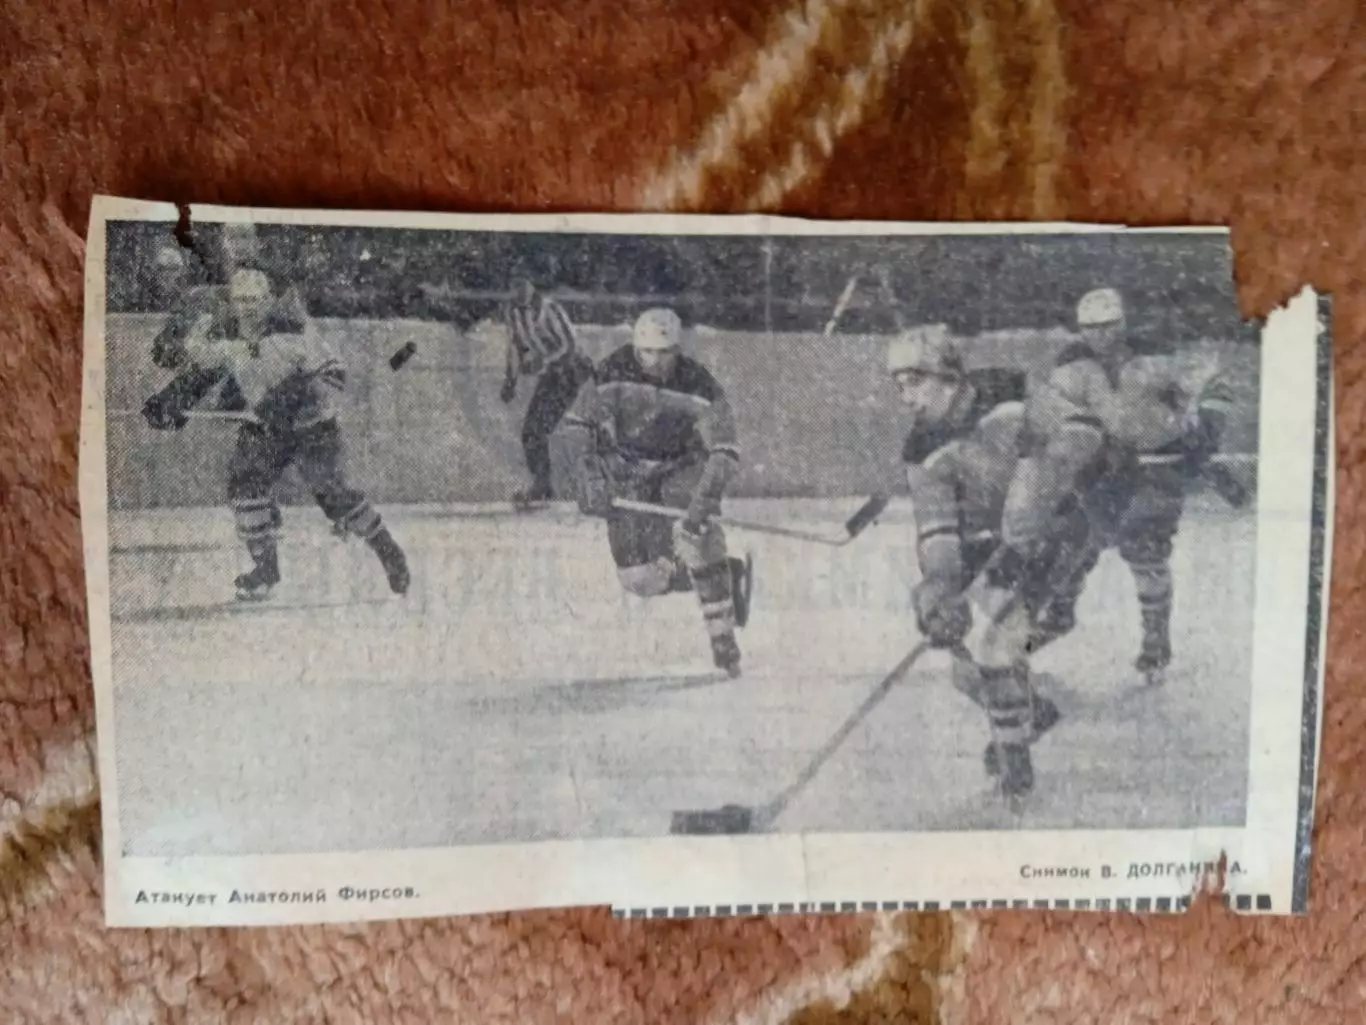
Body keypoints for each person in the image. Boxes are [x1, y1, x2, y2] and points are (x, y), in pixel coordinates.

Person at [141, 226, 410, 602]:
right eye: (240, 299)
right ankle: (265, 569)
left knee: (332, 497)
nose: (247, 307)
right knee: (245, 483)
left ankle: (387, 549)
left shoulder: (294, 332)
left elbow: (334, 374)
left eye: (255, 299)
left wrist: (290, 396)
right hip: (266, 427)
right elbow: (203, 366)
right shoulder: (227, 334)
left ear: (269, 300)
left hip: (313, 425)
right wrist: (171, 401)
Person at [887, 323, 1085, 797]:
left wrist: (1037, 482)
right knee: (965, 670)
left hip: (1057, 527)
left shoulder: (1009, 389)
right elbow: (938, 529)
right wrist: (939, 586)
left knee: (996, 645)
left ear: (945, 374)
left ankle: (1015, 770)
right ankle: (1029, 712)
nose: (905, 398)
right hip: (991, 541)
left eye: (913, 383)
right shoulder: (921, 447)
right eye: (898, 387)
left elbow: (1081, 431)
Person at [1007, 288, 1237, 684]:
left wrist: (1208, 434)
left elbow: (1216, 384)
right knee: (1066, 555)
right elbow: (1051, 417)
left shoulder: (1156, 360)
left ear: (1123, 324)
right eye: (1092, 329)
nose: (1101, 336)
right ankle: (1040, 633)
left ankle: (1155, 647)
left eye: (1109, 326)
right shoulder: (1071, 370)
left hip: (1156, 470)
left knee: (1146, 551)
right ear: (1081, 330)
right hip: (1099, 475)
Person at [559, 307, 753, 677]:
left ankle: (723, 638)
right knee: (640, 580)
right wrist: (591, 477)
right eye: (646, 352)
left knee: (696, 539)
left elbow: (726, 451)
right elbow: (575, 426)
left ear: (677, 350)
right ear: (635, 348)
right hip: (629, 469)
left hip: (682, 466)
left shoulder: (700, 385)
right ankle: (727, 573)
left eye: (664, 353)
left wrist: (702, 502)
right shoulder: (612, 370)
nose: (654, 362)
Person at [499, 278, 595, 508]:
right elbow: (515, 347)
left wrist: (543, 361)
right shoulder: (513, 313)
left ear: (533, 285)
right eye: (514, 286)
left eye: (523, 284)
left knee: (538, 429)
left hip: (571, 371)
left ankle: (543, 487)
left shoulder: (549, 308)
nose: (519, 290)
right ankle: (542, 486)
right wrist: (510, 380)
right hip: (552, 374)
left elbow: (570, 345)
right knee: (531, 431)